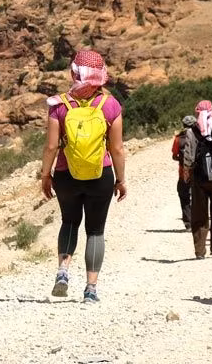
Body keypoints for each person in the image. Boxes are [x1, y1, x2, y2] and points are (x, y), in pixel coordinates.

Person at [40, 50, 127, 303]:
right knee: (95, 231)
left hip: (66, 175)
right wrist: (121, 180)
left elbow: (51, 147)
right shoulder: (110, 105)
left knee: (69, 222)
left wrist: (46, 175)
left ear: (73, 73)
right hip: (101, 175)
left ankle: (63, 272)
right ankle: (90, 290)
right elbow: (118, 148)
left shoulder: (59, 105)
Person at [182, 100, 212, 259]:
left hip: (199, 177)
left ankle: (199, 250)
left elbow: (188, 155)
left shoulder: (191, 132)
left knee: (199, 213)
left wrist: (186, 172)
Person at [171, 116, 196, 230]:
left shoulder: (178, 139)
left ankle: (188, 222)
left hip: (183, 172)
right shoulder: (198, 136)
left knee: (184, 196)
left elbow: (174, 155)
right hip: (197, 172)